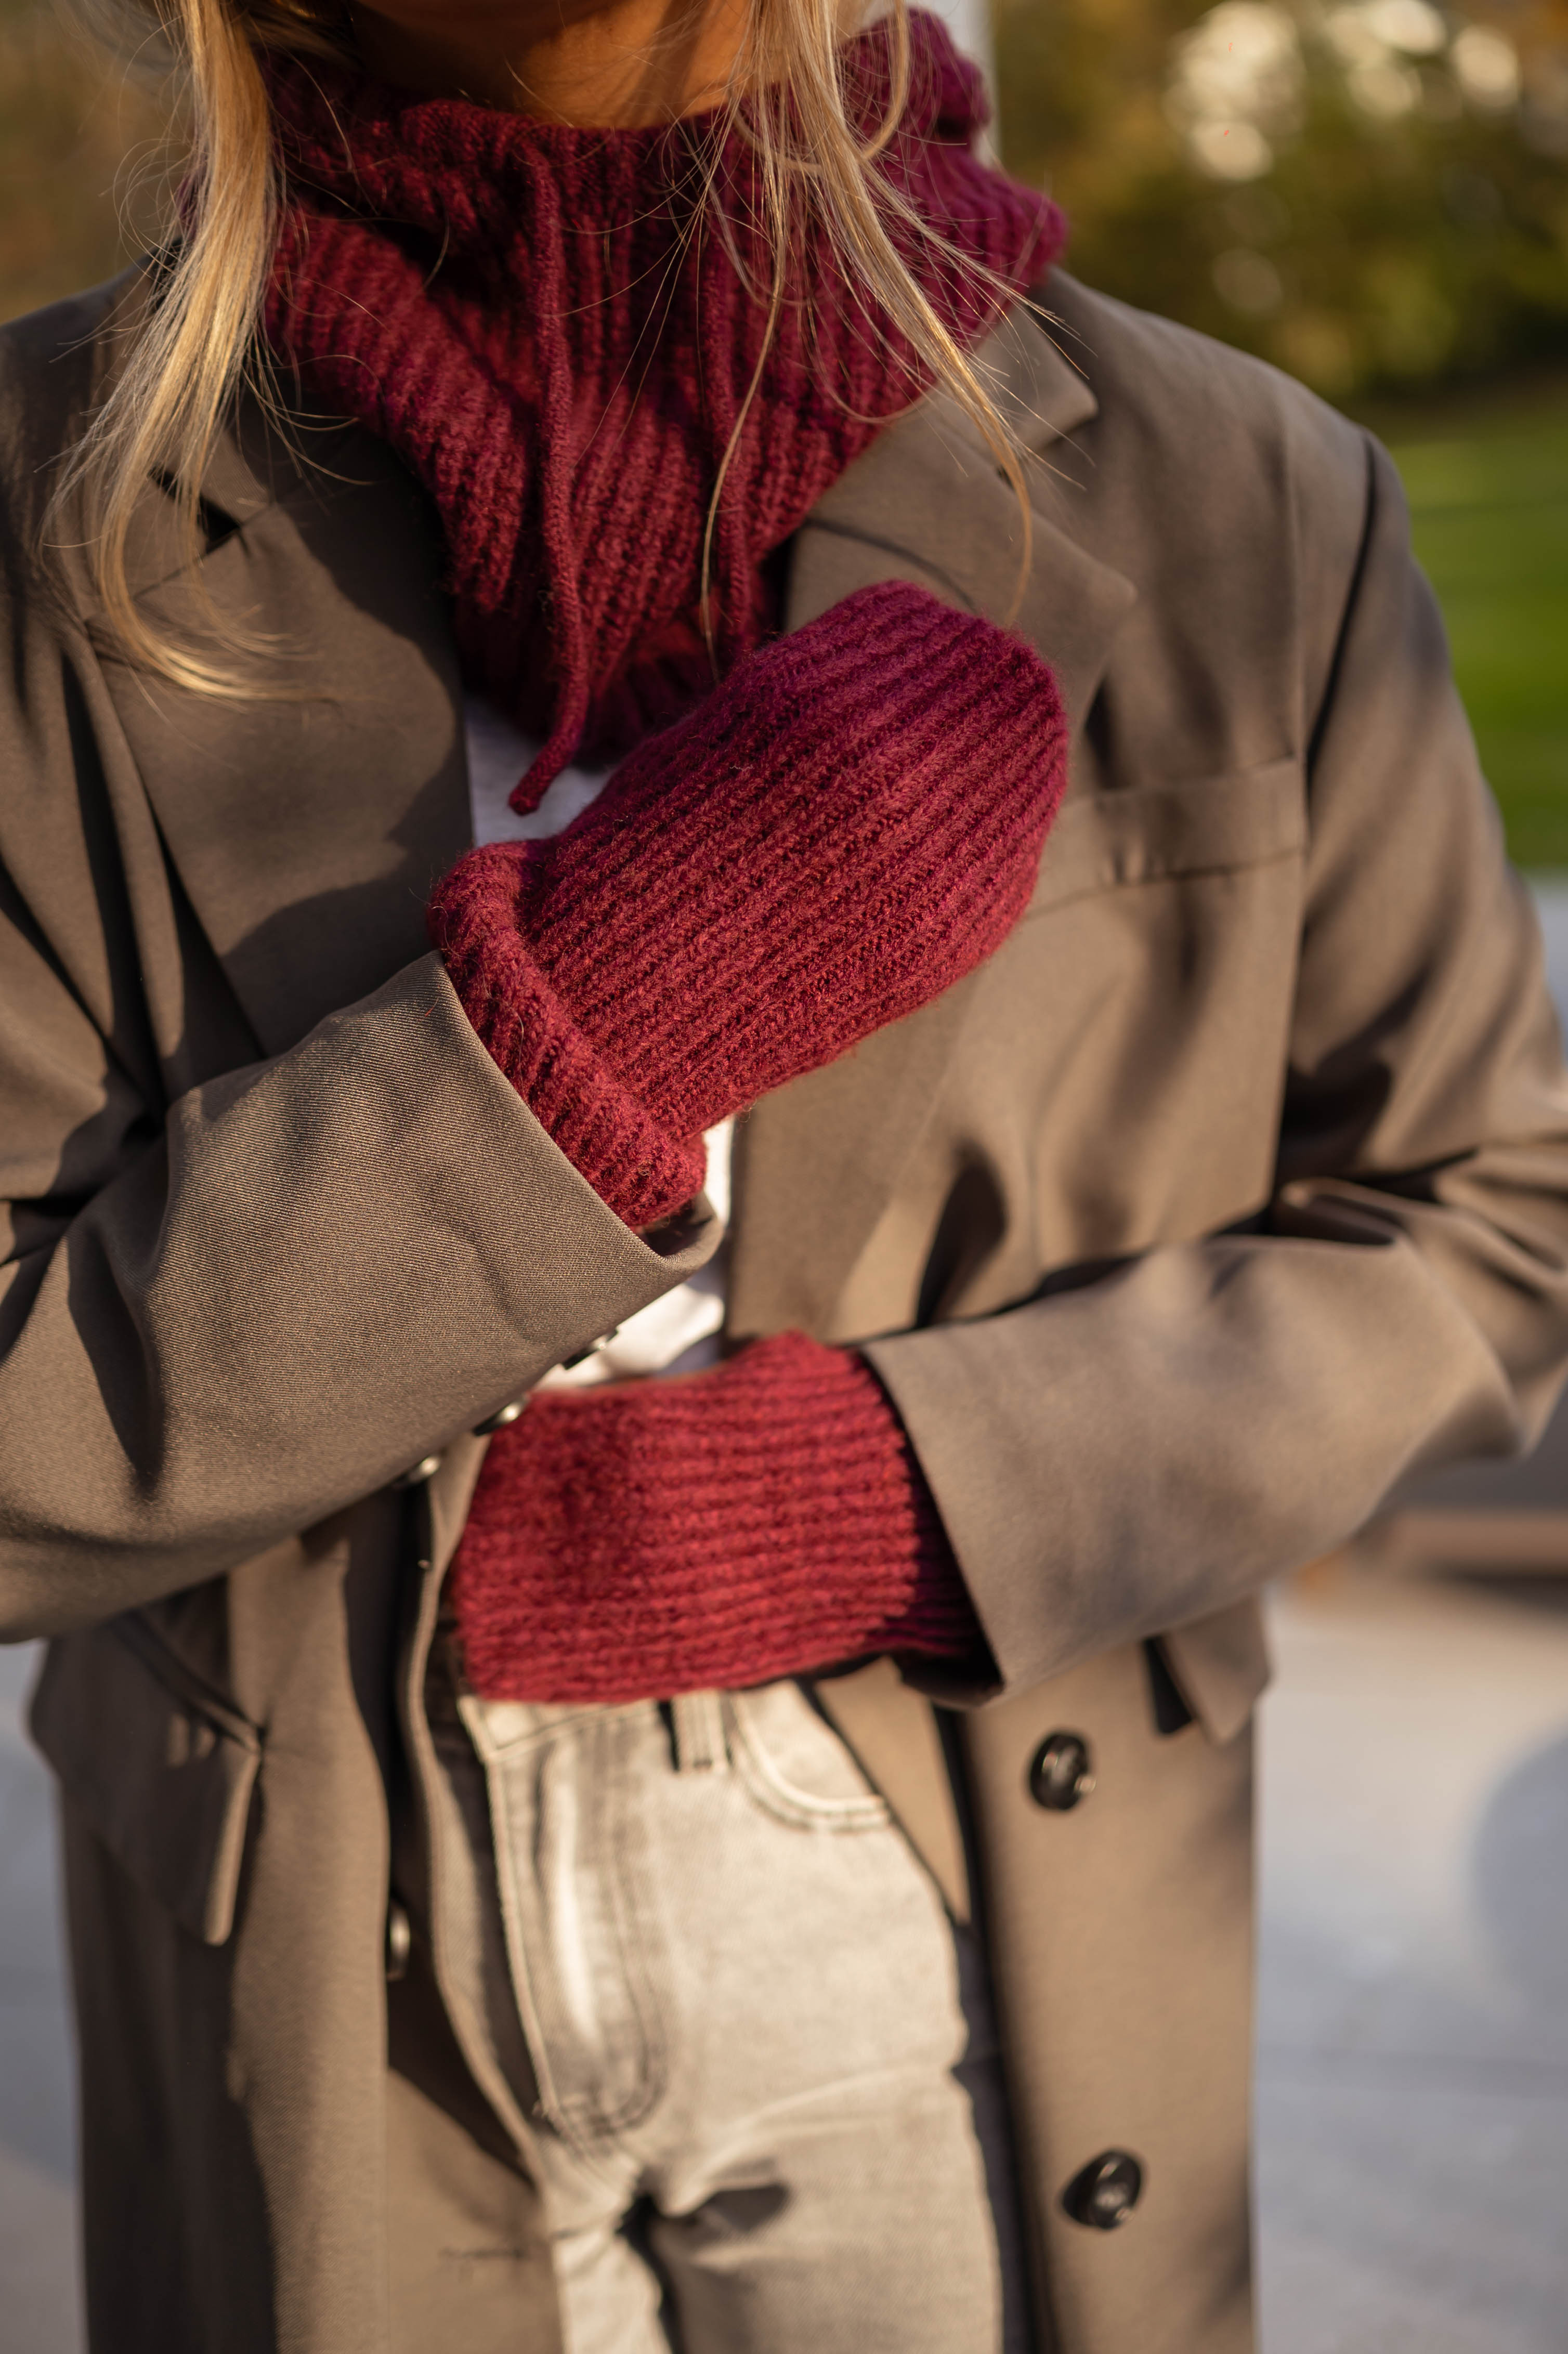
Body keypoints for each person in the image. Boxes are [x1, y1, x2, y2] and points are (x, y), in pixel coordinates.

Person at [2, 0, 1566, 2343]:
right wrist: (582, 1048)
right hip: (318, 1937)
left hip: (966, 1871)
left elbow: (1486, 1221)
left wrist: (885, 1493)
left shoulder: (1238, 494)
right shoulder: (42, 510)